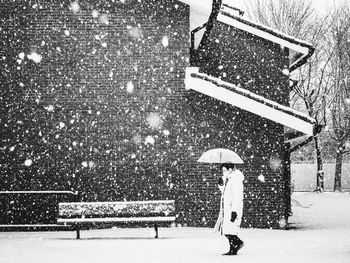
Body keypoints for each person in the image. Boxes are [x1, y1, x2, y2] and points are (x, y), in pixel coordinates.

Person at [214, 163, 245, 255]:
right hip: (227, 209)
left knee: (230, 230)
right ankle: (234, 248)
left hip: (232, 209)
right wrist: (221, 184)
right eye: (223, 170)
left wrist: (234, 211)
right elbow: (226, 192)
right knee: (228, 230)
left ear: (230, 169)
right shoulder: (229, 180)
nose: (224, 172)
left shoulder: (236, 180)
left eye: (225, 170)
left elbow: (237, 196)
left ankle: (237, 245)